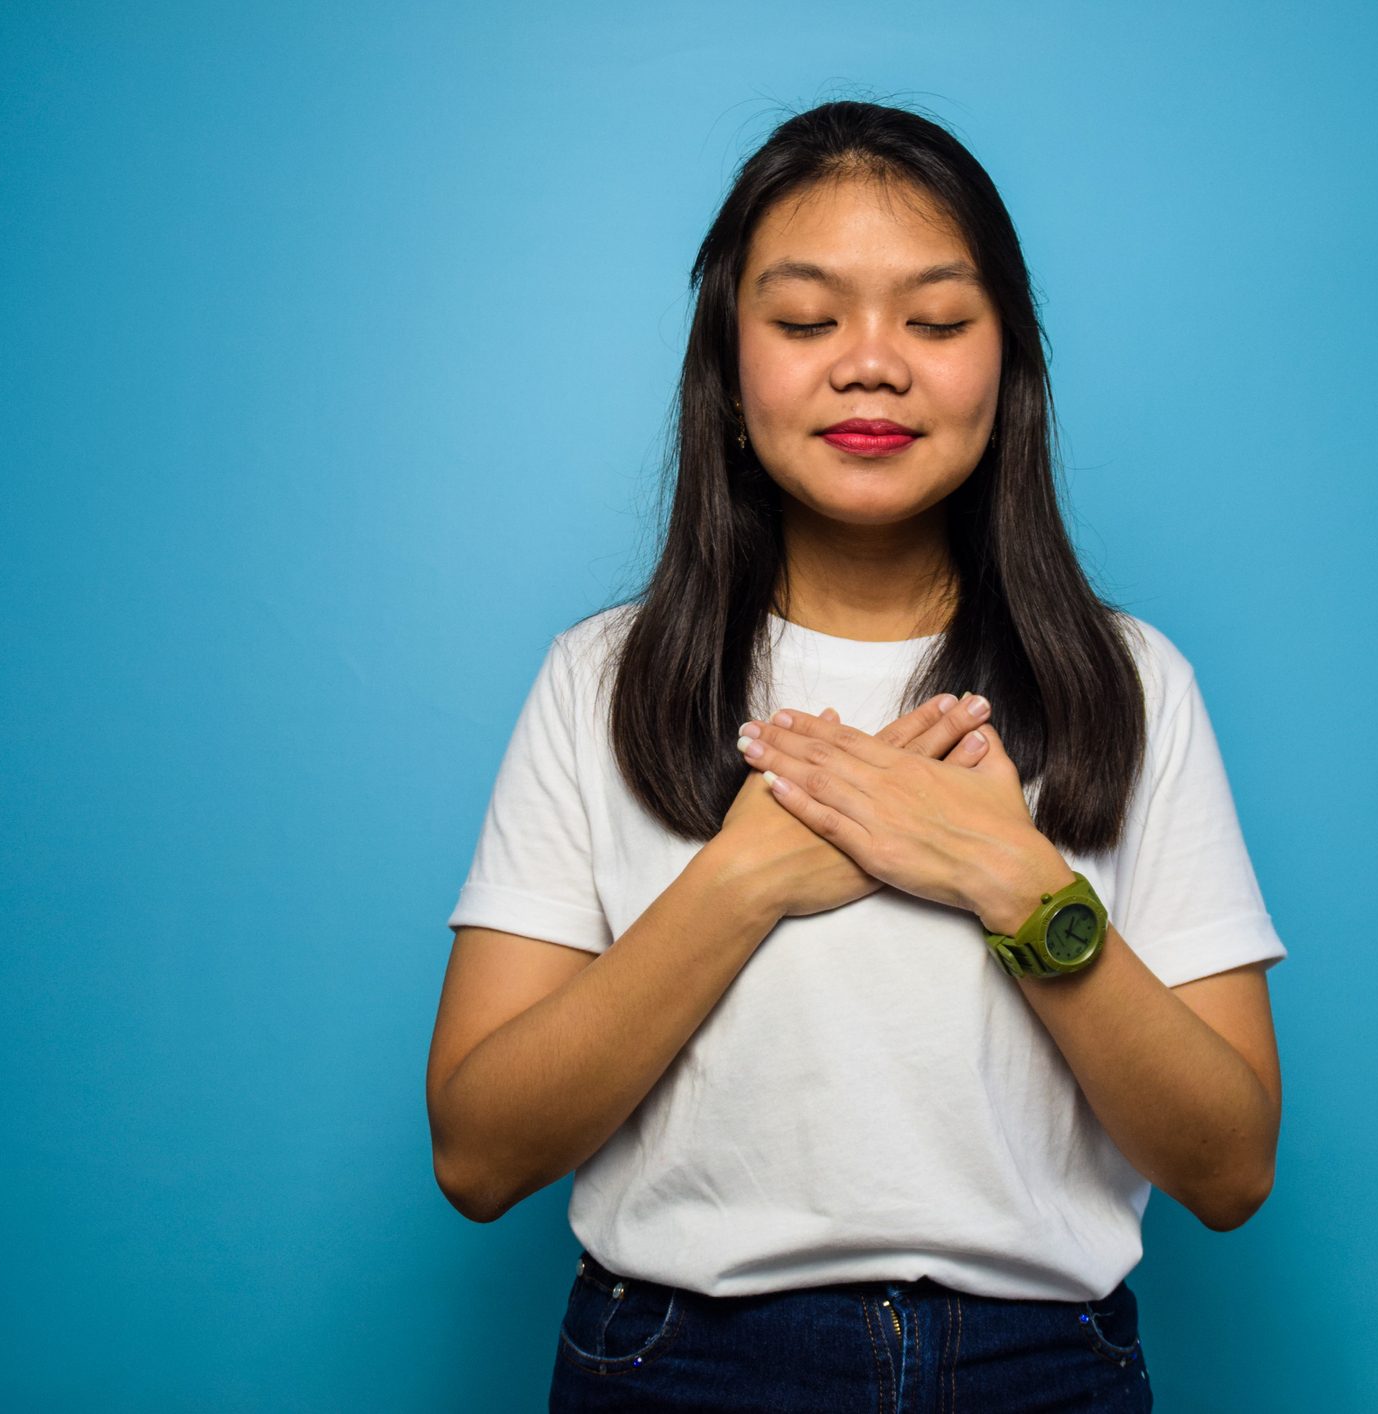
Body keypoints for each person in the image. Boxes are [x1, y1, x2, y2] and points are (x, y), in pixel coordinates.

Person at [426, 99, 1286, 1413]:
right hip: (676, 1362)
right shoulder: (600, 678)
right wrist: (743, 880)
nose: (871, 363)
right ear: (727, 369)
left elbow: (1228, 1167)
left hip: (1040, 1370)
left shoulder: (1129, 681)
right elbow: (478, 1151)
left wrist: (1016, 886)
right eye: (806, 320)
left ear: (1008, 368)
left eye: (935, 321)